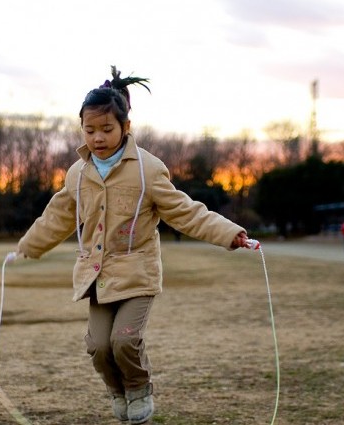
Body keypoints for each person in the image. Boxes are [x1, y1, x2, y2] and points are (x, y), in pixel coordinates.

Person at [14, 66, 253, 424]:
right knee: (98, 346)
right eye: (89, 130)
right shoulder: (78, 173)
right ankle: (117, 390)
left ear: (126, 127)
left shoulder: (148, 169)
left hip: (137, 273)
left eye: (106, 129)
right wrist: (28, 246)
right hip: (97, 276)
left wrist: (230, 234)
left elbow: (186, 211)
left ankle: (139, 388)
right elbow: (58, 215)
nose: (97, 138)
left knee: (125, 340)